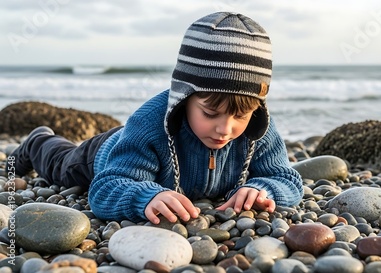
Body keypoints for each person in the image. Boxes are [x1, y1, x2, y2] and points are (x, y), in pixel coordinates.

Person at [7, 12, 304, 224]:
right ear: (184, 97)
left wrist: (262, 189)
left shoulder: (258, 129)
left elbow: (287, 179)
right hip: (105, 154)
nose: (225, 128)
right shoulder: (149, 125)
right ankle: (38, 140)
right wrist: (144, 196)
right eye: (210, 113)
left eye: (240, 115)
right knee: (60, 165)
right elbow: (105, 188)